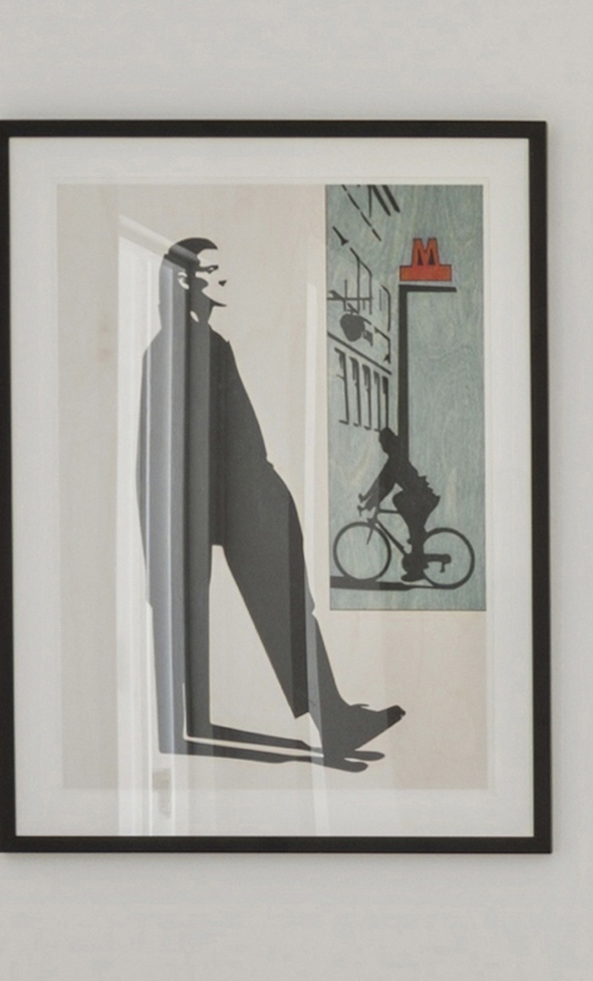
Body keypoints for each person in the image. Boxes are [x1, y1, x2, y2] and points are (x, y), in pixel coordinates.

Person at [136, 236, 401, 768]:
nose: (224, 278)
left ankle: (192, 723)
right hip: (228, 504)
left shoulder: (195, 344)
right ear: (187, 281)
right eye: (213, 270)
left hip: (221, 503)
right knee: (275, 605)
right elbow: (178, 448)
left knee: (258, 606)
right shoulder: (189, 348)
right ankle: (329, 722)